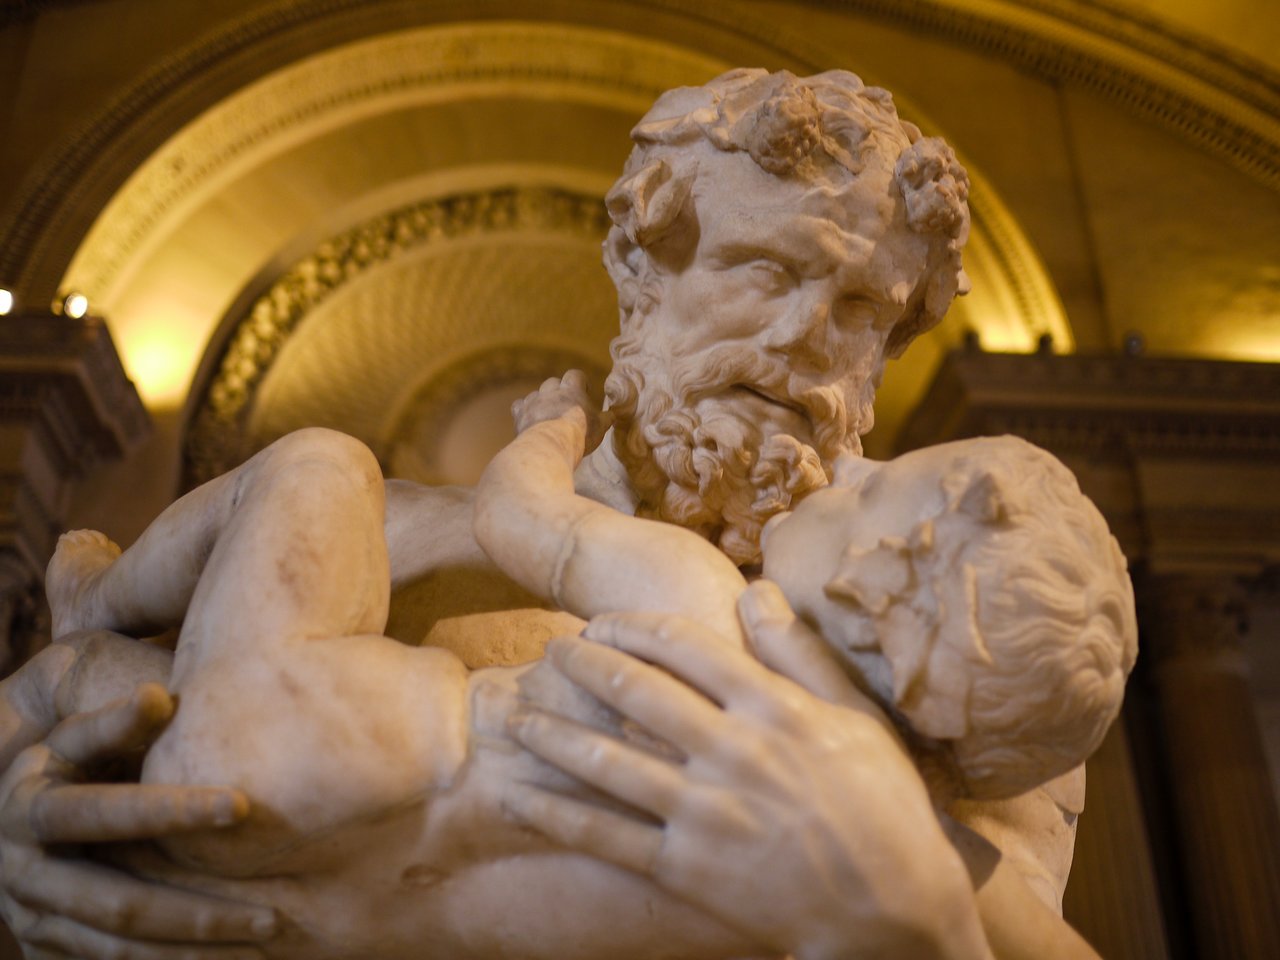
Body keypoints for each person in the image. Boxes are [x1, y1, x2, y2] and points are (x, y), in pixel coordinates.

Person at [0, 68, 1100, 959]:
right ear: (640, 266)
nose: (807, 335)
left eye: (861, 307)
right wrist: (14, 833)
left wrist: (903, 930)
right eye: (766, 269)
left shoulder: (959, 638)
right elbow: (51, 694)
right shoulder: (369, 539)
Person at [477, 376, 1136, 805]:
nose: (845, 462)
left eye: (869, 490)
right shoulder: (838, 814)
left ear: (874, 607)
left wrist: (553, 426)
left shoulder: (697, 594)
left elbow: (511, 514)